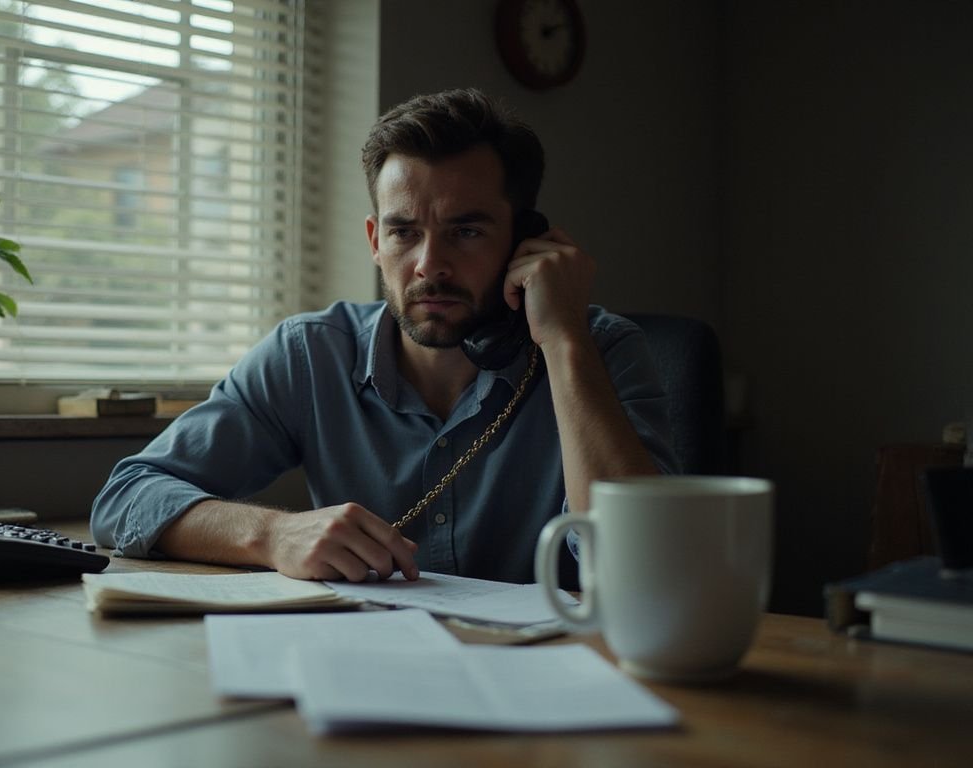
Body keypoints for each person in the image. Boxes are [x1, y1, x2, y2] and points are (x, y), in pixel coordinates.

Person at [91, 88, 677, 587]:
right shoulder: (311, 354)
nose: (429, 264)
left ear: (526, 241)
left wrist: (565, 342)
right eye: (404, 232)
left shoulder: (601, 351)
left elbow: (648, 566)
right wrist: (273, 534)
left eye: (466, 231)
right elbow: (126, 498)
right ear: (376, 240)